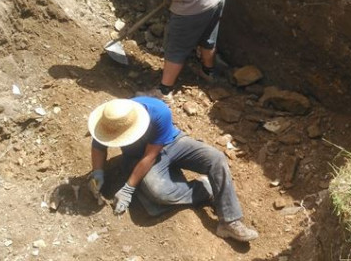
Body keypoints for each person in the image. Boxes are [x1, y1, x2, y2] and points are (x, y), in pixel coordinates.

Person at [87, 97, 259, 242]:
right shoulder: (110, 121)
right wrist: (98, 173)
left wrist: (128, 188)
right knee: (159, 192)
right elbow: (98, 146)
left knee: (216, 158)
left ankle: (229, 222)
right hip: (137, 156)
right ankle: (205, 189)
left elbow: (150, 156)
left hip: (172, 143)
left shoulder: (158, 111)